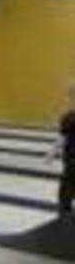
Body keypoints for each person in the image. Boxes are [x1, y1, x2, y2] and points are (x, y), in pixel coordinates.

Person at [45, 83, 75, 216]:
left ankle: (65, 219)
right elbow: (61, 138)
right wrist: (51, 154)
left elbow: (61, 139)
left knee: (65, 195)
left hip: (71, 162)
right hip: (70, 161)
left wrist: (51, 155)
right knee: (65, 194)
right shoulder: (67, 118)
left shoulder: (68, 118)